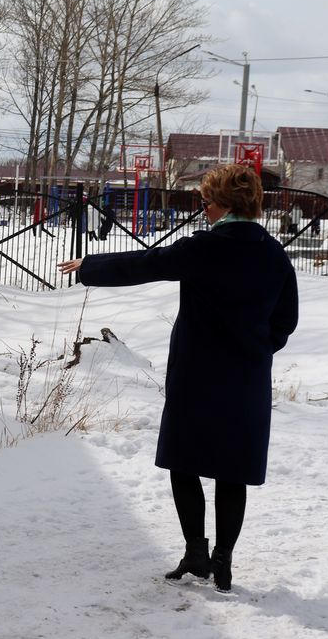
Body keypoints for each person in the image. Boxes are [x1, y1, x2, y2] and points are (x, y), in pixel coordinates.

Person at [57, 163, 298, 593]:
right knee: (233, 471)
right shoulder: (274, 254)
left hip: (196, 374)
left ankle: (196, 553)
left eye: (206, 202)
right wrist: (258, 349)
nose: (203, 209)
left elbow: (146, 263)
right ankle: (222, 562)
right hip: (247, 380)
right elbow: (286, 320)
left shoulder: (205, 247)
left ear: (224, 203)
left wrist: (89, 266)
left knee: (183, 462)